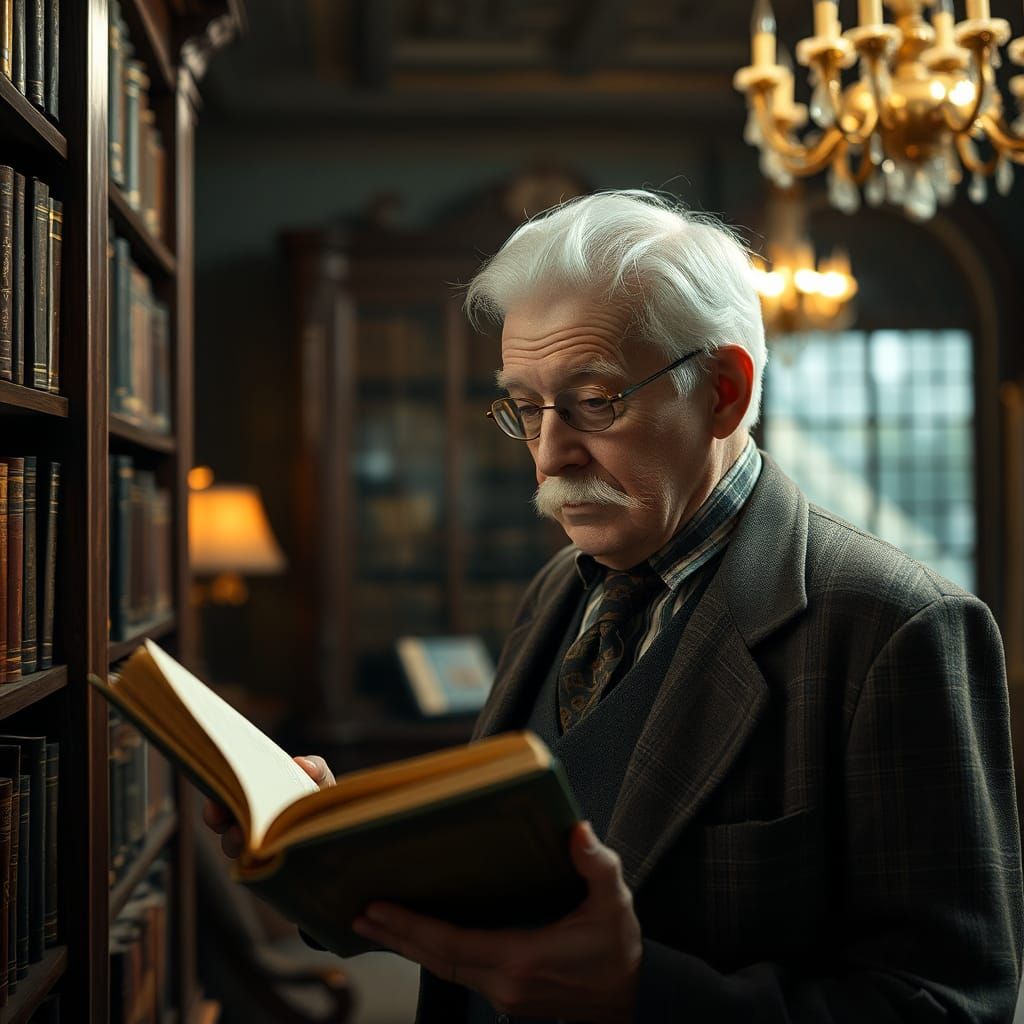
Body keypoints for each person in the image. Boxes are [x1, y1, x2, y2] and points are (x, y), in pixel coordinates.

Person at [206, 190, 1024, 1022]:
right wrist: (340, 863)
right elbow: (510, 908)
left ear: (724, 393)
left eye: (595, 401)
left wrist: (643, 998)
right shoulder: (557, 587)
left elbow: (954, 1005)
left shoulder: (898, 627)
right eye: (525, 408)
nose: (551, 453)